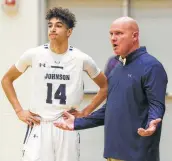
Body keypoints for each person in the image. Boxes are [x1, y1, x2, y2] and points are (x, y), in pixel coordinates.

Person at [1, 7, 107, 161]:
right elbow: (6, 79)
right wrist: (19, 111)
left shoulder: (81, 59)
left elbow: (105, 86)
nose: (53, 29)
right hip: (39, 125)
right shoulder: (34, 54)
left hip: (66, 126)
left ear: (69, 31)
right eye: (50, 25)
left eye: (58, 25)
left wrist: (85, 112)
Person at [54, 17, 168, 161]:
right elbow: (110, 109)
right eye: (111, 34)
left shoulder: (152, 66)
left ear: (135, 36)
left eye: (119, 33)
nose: (113, 38)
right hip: (113, 154)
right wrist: (77, 123)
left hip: (139, 155)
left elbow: (156, 105)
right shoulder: (115, 67)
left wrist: (153, 122)